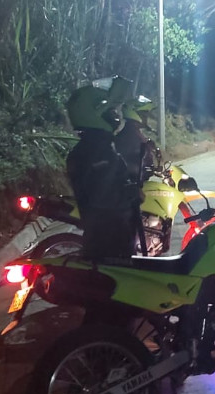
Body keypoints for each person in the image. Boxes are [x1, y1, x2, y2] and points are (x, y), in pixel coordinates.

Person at [64, 76, 139, 259]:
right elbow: (104, 198)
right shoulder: (94, 152)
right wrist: (130, 193)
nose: (114, 116)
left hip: (108, 238)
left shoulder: (96, 147)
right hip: (108, 243)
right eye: (109, 111)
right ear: (92, 114)